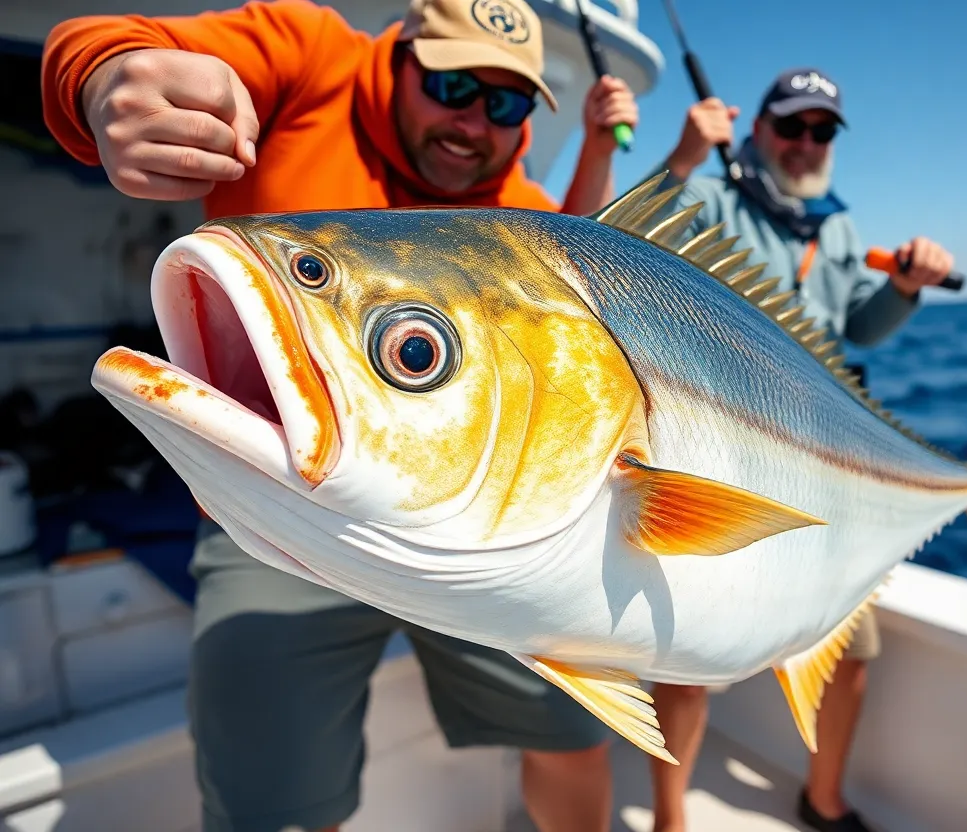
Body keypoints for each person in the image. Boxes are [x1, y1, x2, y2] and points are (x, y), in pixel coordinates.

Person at [40, 1, 639, 831]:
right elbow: (95, 44)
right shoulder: (312, 53)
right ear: (400, 53)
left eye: (505, 103)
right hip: (275, 503)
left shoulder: (517, 204)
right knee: (267, 796)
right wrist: (110, 82)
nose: (474, 121)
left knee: (574, 730)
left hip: (480, 527)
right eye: (453, 83)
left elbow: (589, 266)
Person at [638, 68, 957, 832]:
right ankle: (670, 817)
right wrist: (682, 157)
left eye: (823, 132)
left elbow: (858, 326)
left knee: (851, 649)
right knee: (685, 652)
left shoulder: (837, 229)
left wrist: (906, 289)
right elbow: (625, 240)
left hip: (826, 469)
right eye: (792, 126)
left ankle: (823, 799)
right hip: (729, 451)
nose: (807, 144)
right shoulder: (710, 200)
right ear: (758, 130)